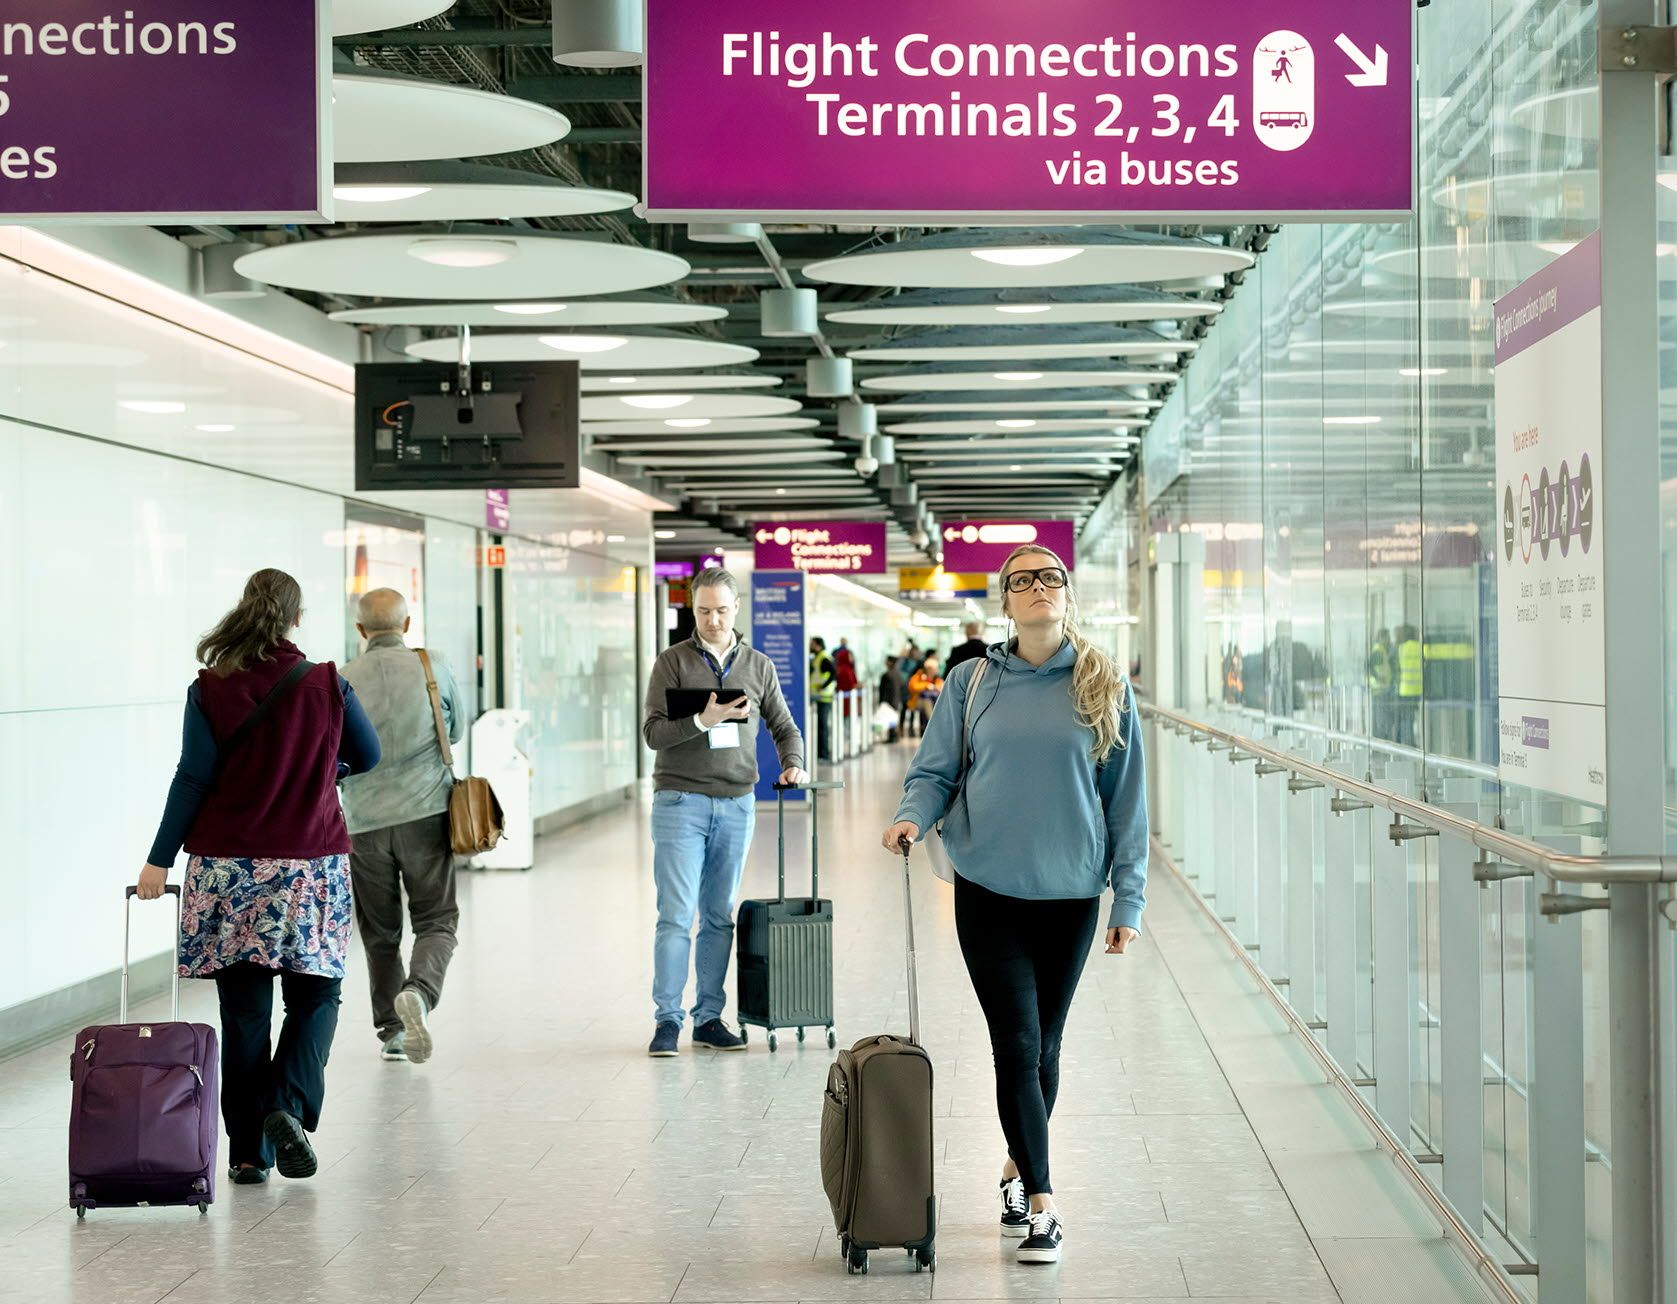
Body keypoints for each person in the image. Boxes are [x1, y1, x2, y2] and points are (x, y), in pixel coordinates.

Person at [880, 544, 1147, 1267]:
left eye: (1048, 577)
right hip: (987, 887)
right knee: (1018, 1045)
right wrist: (912, 813)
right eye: (1020, 580)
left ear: (1066, 594)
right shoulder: (971, 682)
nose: (1036, 588)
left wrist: (1130, 898)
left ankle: (1012, 1168)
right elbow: (934, 770)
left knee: (1047, 1046)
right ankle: (1042, 1204)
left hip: (1070, 893)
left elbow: (1126, 803)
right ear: (1004, 602)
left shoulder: (1101, 683)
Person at [137, 569, 381, 1186]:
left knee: (244, 1012)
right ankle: (286, 1104)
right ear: (296, 620)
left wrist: (158, 860)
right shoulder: (327, 683)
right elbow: (370, 755)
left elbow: (192, 777)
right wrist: (323, 771)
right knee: (316, 994)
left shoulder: (211, 686)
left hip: (227, 870)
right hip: (308, 866)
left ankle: (248, 1152)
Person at [641, 569, 807, 1057]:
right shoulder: (671, 662)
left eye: (721, 610)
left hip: (736, 803)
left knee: (718, 916)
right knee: (675, 915)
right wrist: (700, 720)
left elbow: (785, 726)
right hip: (680, 802)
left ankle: (708, 1018)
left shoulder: (758, 665)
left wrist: (794, 764)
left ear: (737, 608)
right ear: (692, 610)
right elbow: (653, 733)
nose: (712, 620)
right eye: (703, 611)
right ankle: (666, 1020)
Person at [338, 588, 465, 1066]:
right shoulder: (432, 664)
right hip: (426, 814)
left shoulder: (342, 678)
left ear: (360, 630)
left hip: (365, 823)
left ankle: (392, 1030)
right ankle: (420, 993)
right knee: (435, 918)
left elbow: (335, 751)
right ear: (407, 625)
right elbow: (454, 729)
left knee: (379, 930)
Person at [809, 636, 837, 763]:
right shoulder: (818, 658)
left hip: (824, 696)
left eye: (812, 644)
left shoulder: (824, 658)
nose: (810, 646)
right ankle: (820, 752)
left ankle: (823, 754)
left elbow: (834, 673)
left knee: (822, 727)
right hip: (818, 696)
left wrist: (823, 686)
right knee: (820, 726)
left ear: (818, 645)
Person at [1394, 623, 1422, 747]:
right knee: (1416, 718)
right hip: (1418, 689)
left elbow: (1397, 667)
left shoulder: (1401, 648)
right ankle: (1412, 742)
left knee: (1406, 719)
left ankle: (1408, 743)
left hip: (1405, 690)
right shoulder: (1420, 647)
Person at [1366, 628, 1395, 741]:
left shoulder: (1381, 650)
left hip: (1381, 689)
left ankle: (1382, 739)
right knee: (1381, 718)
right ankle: (1381, 739)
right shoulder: (1378, 650)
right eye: (1387, 637)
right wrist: (1379, 678)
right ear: (1382, 638)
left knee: (1382, 717)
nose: (1389, 640)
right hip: (1379, 690)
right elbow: (1368, 667)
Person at [906, 653, 944, 738]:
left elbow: (941, 687)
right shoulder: (919, 675)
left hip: (934, 702)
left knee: (931, 704)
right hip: (917, 701)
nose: (935, 671)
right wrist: (926, 685)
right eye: (933, 669)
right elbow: (912, 686)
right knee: (926, 703)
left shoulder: (936, 678)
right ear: (928, 668)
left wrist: (935, 688)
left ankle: (933, 725)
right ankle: (933, 725)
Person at [878, 659, 907, 743]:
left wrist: (882, 701)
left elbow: (883, 690)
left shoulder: (886, 675)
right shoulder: (898, 674)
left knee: (890, 718)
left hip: (888, 700)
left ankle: (892, 736)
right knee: (893, 718)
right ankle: (894, 736)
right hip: (896, 699)